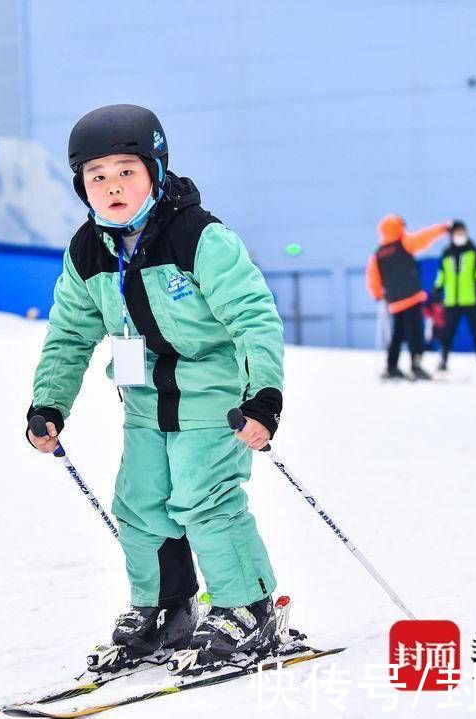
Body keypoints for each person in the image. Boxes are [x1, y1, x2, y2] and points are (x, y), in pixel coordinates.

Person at [26, 104, 285, 668]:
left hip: (215, 398)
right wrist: (49, 400)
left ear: (155, 171)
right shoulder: (87, 251)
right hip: (144, 401)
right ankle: (168, 608)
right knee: (140, 506)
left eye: (125, 171)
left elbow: (251, 315)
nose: (111, 187)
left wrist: (264, 396)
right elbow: (70, 333)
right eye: (96, 177)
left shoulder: (198, 236)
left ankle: (250, 609)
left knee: (203, 497)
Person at [365, 214, 453, 380]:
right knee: (415, 333)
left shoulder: (378, 254)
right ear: (398, 227)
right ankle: (416, 364)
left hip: (394, 301)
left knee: (397, 334)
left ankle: (391, 366)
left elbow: (372, 276)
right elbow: (425, 237)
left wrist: (377, 294)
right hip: (411, 297)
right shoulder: (404, 243)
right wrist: (443, 228)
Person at [434, 221, 476, 375]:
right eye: (457, 232)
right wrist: (437, 287)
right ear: (451, 235)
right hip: (452, 300)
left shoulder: (473, 251)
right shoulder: (446, 252)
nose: (460, 235)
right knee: (447, 332)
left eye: (462, 232)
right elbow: (442, 274)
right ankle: (443, 359)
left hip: (471, 299)